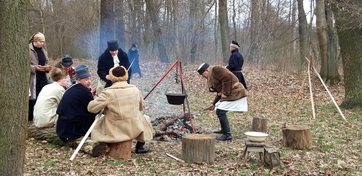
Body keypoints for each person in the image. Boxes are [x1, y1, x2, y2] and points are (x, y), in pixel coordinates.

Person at [88, 66, 153, 154]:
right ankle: (140, 146)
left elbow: (91, 108)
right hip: (135, 128)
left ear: (111, 77)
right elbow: (142, 107)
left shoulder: (108, 92)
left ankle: (104, 143)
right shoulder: (135, 89)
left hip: (116, 129)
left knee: (99, 119)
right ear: (126, 75)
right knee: (144, 117)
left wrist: (97, 99)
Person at [197, 63, 247, 141]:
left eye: (203, 74)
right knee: (219, 110)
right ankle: (224, 130)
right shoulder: (211, 76)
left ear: (206, 70)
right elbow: (219, 92)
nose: (203, 76)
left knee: (220, 111)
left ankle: (227, 135)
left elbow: (227, 78)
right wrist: (213, 104)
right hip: (230, 93)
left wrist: (225, 93)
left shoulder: (216, 69)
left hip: (236, 92)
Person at [56, 64, 96, 143]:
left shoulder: (72, 88)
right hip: (72, 131)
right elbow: (94, 109)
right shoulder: (84, 92)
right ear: (79, 79)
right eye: (86, 79)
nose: (89, 81)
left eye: (89, 79)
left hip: (61, 128)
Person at [29, 32, 52, 121]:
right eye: (40, 42)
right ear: (35, 41)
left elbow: (46, 61)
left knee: (42, 97)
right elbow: (24, 65)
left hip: (43, 77)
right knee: (32, 98)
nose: (42, 43)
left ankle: (39, 117)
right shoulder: (28, 49)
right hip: (33, 78)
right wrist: (35, 67)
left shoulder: (43, 50)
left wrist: (47, 68)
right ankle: (30, 118)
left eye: (43, 42)